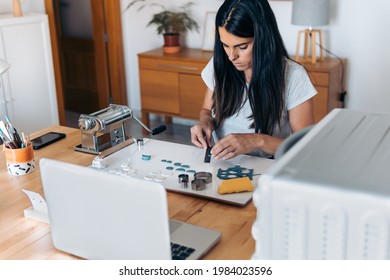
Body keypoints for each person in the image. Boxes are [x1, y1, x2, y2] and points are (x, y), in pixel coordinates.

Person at [190, 0, 317, 160]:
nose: (231, 56)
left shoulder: (293, 75)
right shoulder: (220, 62)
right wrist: (205, 124)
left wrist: (257, 141)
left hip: (267, 167)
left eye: (242, 47)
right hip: (222, 163)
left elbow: (305, 146)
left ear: (263, 38)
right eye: (225, 45)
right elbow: (206, 111)